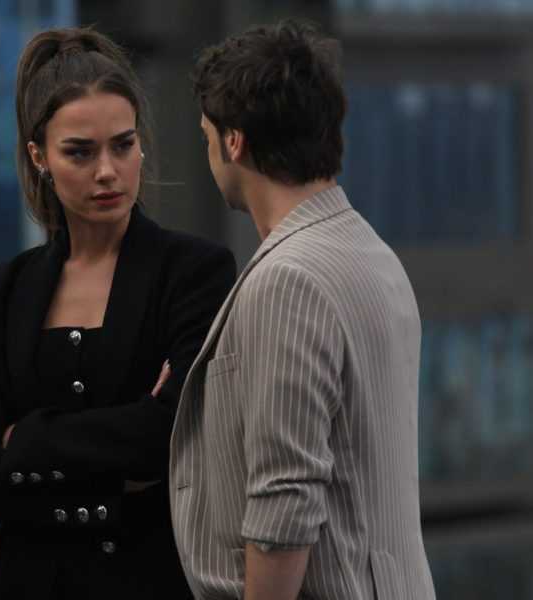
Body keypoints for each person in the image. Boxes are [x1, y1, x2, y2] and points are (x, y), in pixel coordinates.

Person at [0, 27, 237, 600]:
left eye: (123, 145)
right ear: (40, 157)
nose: (107, 170)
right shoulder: (3, 291)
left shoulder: (194, 273)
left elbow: (175, 433)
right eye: (80, 151)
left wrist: (25, 441)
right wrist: (114, 482)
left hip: (148, 583)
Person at [168, 20, 437, 600]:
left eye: (207, 135)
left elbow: (284, 503)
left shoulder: (287, 280)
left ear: (233, 141)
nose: (208, 151)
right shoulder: (372, 252)